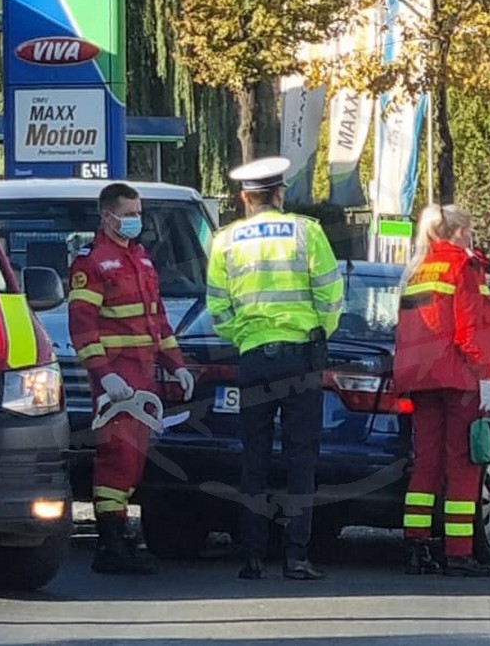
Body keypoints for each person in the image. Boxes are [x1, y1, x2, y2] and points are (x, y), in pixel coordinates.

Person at [206, 156, 343, 581]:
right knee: (301, 458)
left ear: (245, 197)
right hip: (300, 358)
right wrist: (319, 331)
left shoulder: (225, 241)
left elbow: (218, 307)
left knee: (255, 460)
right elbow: (330, 295)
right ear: (279, 194)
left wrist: (245, 338)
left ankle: (251, 556)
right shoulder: (307, 232)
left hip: (252, 360)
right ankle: (296, 556)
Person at [68, 182, 195, 575]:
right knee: (117, 459)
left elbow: (158, 320)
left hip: (143, 375)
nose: (135, 220)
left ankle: (120, 537)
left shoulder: (141, 259)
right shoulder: (92, 263)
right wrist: (103, 375)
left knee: (134, 460)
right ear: (106, 216)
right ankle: (111, 544)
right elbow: (82, 327)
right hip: (118, 377)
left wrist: (177, 363)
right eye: (128, 213)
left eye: (138, 212)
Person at [394, 204, 490, 577]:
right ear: (457, 231)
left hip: (421, 378)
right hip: (459, 377)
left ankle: (417, 545)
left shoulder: (415, 270)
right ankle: (458, 552)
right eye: (469, 228)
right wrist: (487, 376)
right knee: (464, 464)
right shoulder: (463, 266)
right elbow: (469, 329)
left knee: (426, 463)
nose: (472, 235)